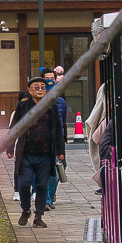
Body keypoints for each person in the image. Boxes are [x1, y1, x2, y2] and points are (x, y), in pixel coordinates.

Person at [9, 78, 59, 226]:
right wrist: (10, 147)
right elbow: (14, 128)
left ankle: (38, 217)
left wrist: (60, 150)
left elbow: (57, 129)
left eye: (43, 87)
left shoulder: (51, 106)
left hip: (45, 154)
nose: (40, 89)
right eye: (36, 87)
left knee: (42, 185)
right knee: (24, 184)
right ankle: (25, 210)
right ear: (30, 91)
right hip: (25, 153)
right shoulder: (23, 106)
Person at [44, 67, 68, 208]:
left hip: (57, 140)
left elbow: (62, 122)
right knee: (43, 172)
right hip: (41, 141)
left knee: (57, 173)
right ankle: (45, 199)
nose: (49, 81)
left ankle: (50, 195)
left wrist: (63, 140)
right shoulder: (35, 102)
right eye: (46, 78)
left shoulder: (60, 101)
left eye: (51, 78)